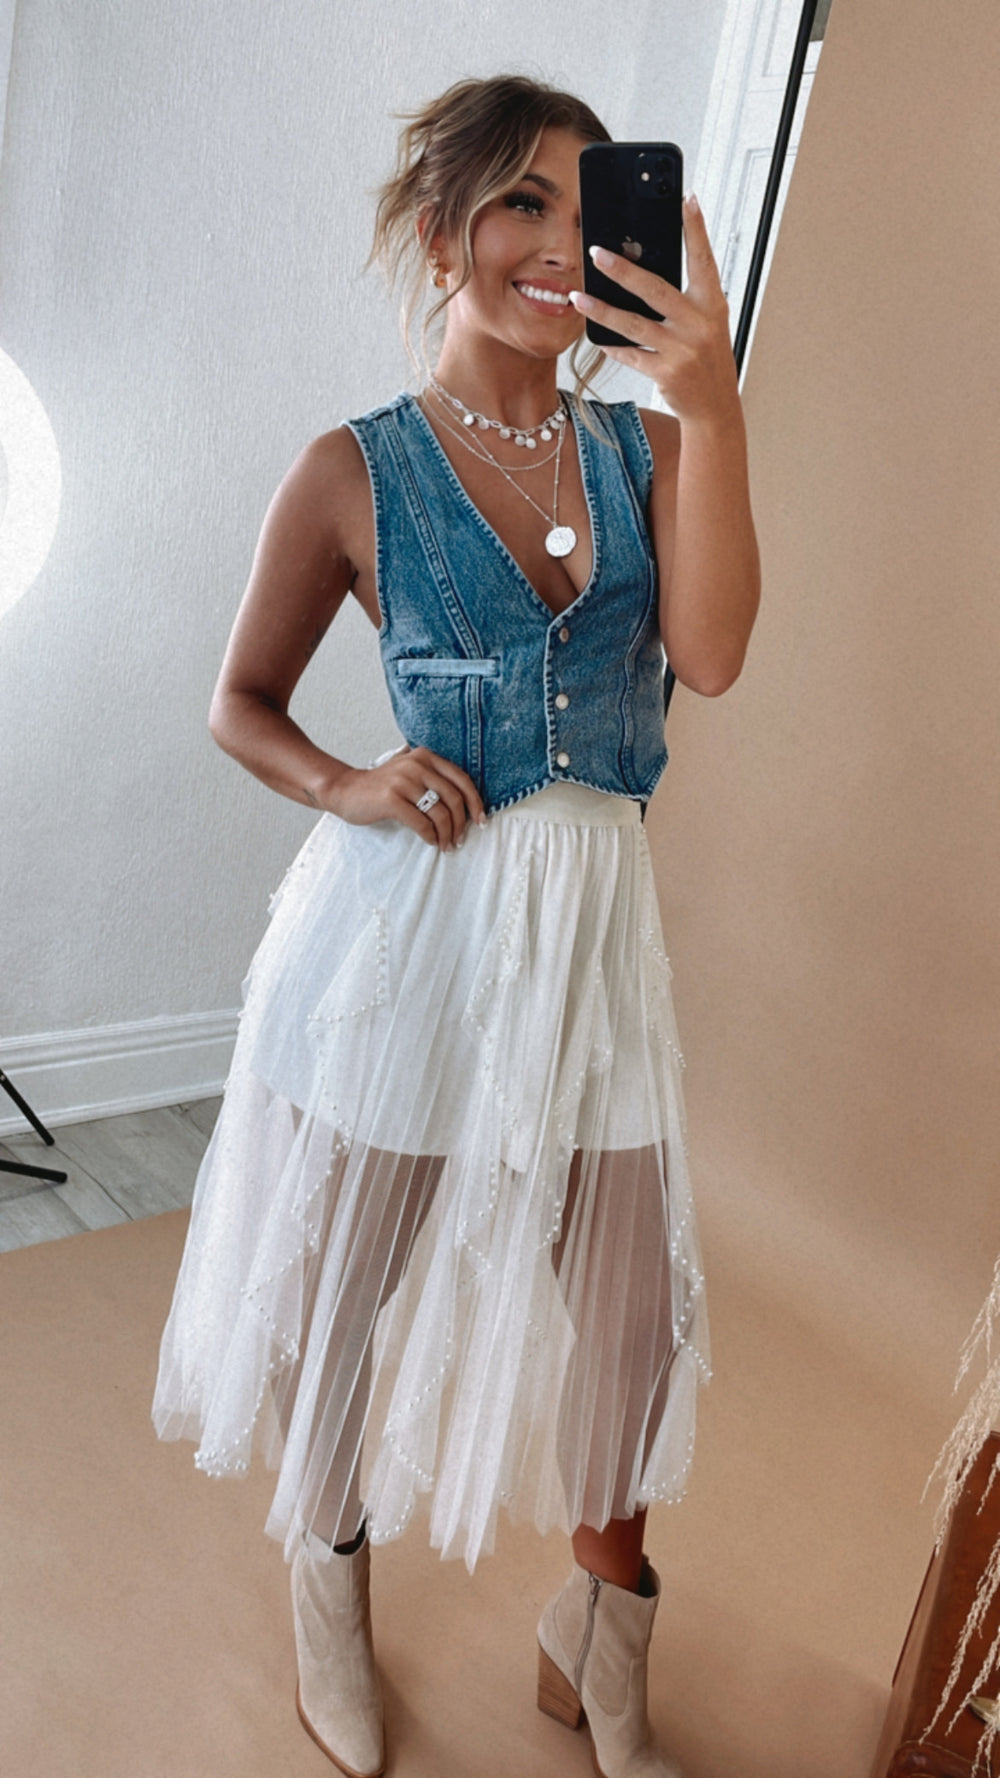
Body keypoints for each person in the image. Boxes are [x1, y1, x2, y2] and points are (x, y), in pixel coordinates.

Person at [153, 73, 759, 1778]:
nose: (562, 246)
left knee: (631, 1316)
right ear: (441, 237)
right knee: (347, 1283)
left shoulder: (650, 446)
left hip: (592, 944)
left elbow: (712, 658)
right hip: (408, 934)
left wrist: (713, 403)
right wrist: (347, 783)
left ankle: (601, 1637)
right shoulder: (352, 469)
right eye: (522, 205)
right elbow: (241, 699)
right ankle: (328, 1585)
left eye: (590, 206)